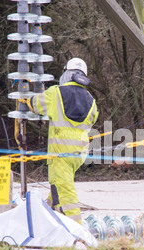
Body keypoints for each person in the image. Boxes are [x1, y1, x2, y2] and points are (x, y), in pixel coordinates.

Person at [29, 58, 98, 224]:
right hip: (79, 154)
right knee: (57, 185)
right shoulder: (90, 99)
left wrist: (26, 100)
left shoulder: (56, 92)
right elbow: (93, 119)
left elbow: (35, 105)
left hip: (60, 153)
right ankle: (46, 216)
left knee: (66, 193)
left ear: (67, 73)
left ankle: (76, 229)